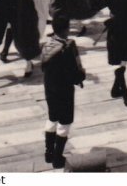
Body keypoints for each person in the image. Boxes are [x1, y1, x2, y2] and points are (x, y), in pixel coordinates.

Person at [41, 16, 86, 169]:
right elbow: (74, 73)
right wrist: (80, 77)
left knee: (52, 118)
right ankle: (57, 157)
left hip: (49, 89)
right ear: (66, 29)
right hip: (64, 91)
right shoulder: (66, 48)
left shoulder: (47, 45)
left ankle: (48, 153)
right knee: (64, 123)